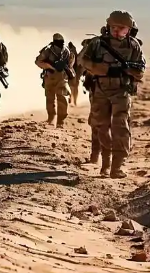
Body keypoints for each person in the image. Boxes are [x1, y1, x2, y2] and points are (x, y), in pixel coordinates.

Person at [81, 10, 146, 178]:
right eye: (114, 28)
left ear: (129, 30)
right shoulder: (97, 43)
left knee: (120, 127)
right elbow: (84, 61)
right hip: (100, 89)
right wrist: (104, 69)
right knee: (101, 126)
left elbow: (140, 71)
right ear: (108, 26)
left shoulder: (133, 46)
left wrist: (127, 70)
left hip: (121, 91)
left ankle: (117, 167)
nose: (117, 31)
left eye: (122, 29)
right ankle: (106, 163)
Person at [35, 33, 75, 127]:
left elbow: (71, 62)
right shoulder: (48, 50)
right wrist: (51, 66)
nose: (60, 44)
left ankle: (61, 120)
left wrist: (66, 68)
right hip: (50, 76)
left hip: (62, 76)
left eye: (61, 42)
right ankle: (51, 118)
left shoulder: (66, 51)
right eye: (58, 42)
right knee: (50, 98)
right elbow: (38, 61)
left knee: (62, 97)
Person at [67, 41, 80, 105]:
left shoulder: (71, 54)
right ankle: (73, 101)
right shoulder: (71, 54)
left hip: (72, 72)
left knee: (73, 87)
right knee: (73, 87)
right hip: (72, 72)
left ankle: (74, 101)